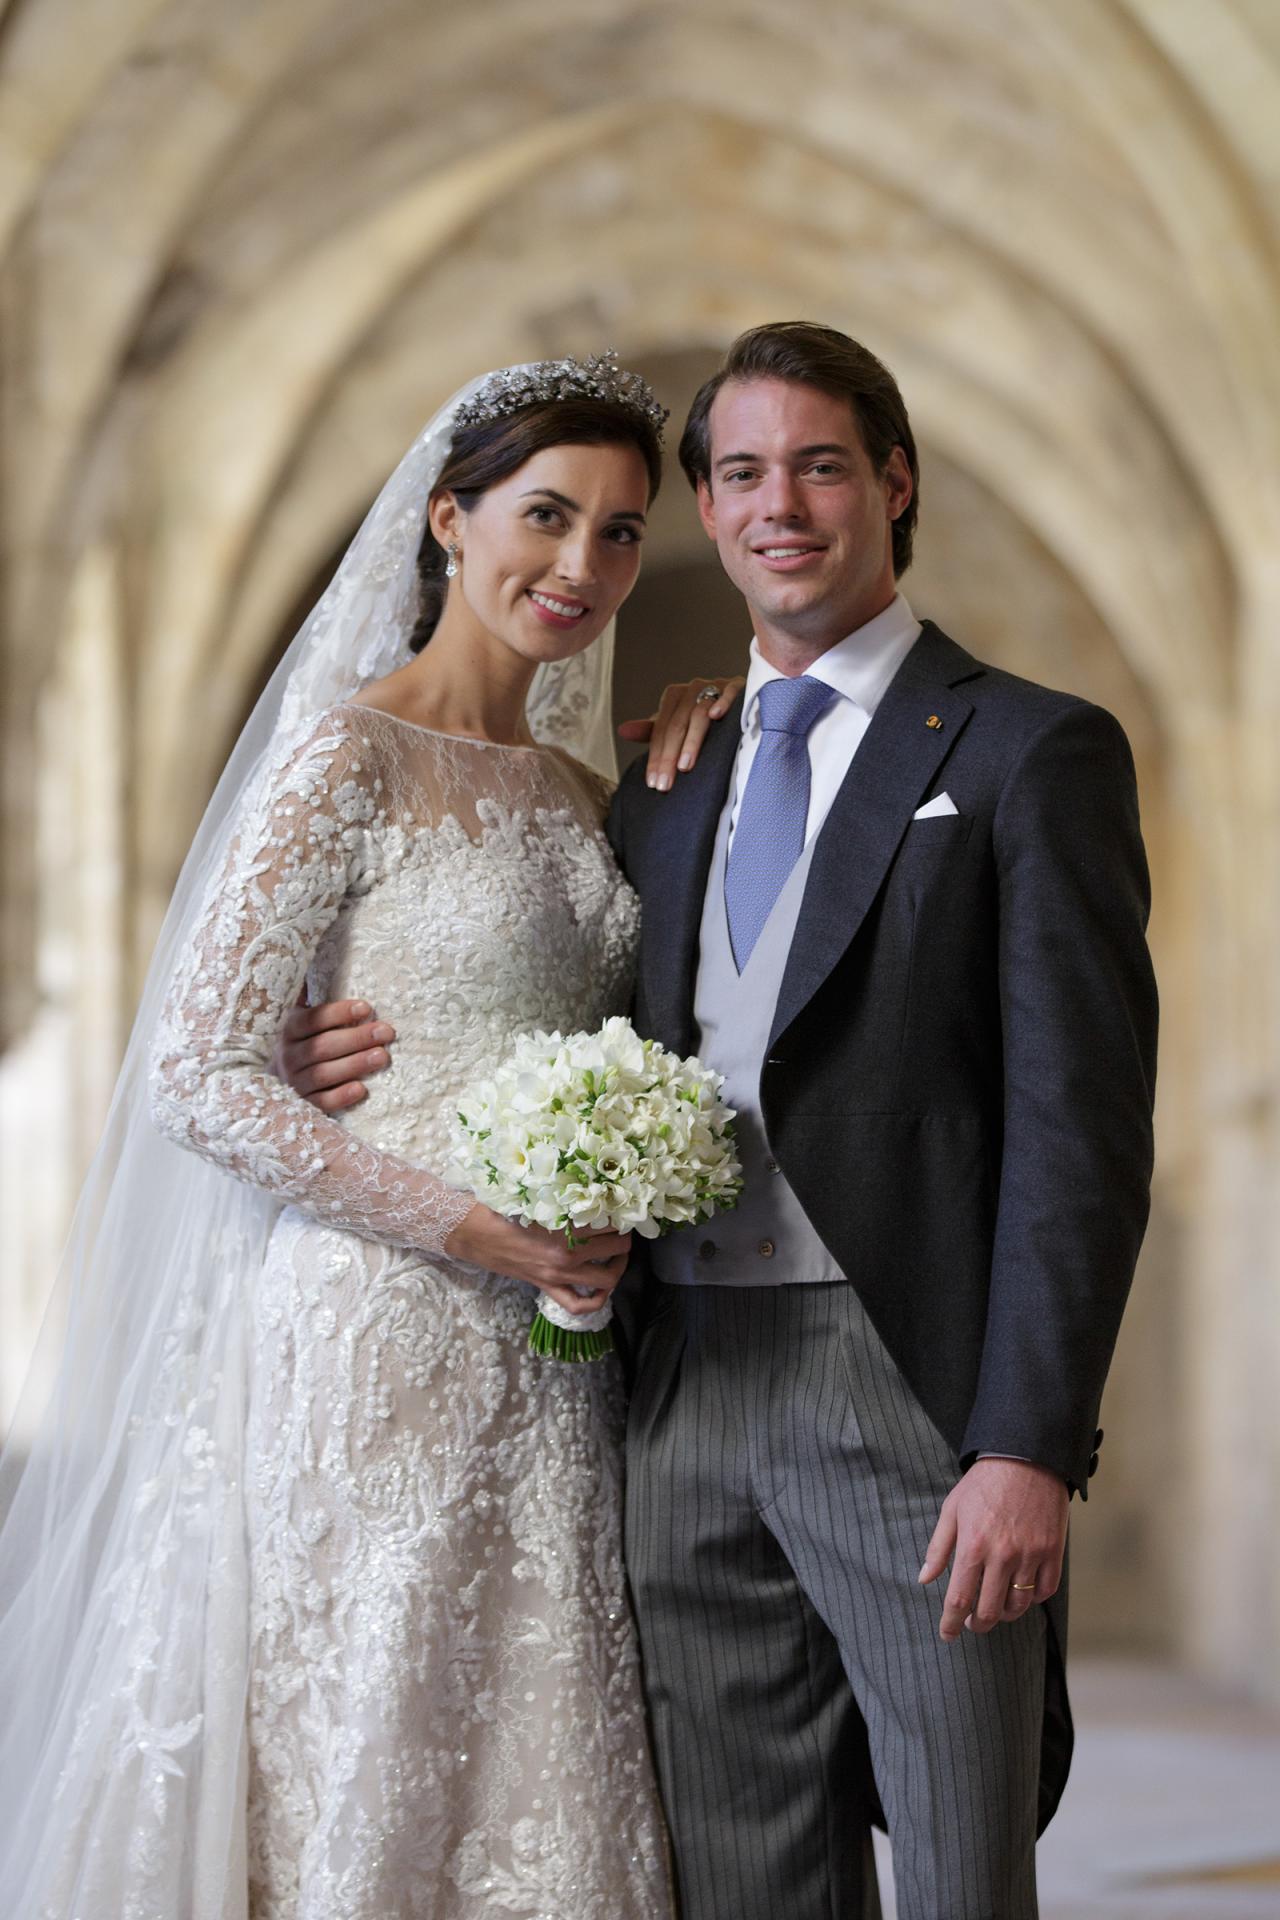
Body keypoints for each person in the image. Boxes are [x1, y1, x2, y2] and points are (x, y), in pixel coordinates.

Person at [290, 322, 1158, 1920]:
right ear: (707, 505)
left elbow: (1081, 1130)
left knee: (964, 1876)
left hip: (906, 1393)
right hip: (676, 1392)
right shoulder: (664, 776)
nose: (783, 506)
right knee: (744, 1878)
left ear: (893, 485)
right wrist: (310, 1029)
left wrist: (1027, 1445)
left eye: (822, 464)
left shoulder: (1035, 751)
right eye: (742, 473)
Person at [0, 353, 741, 1920]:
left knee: (535, 1740)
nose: (583, 566)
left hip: (555, 1356)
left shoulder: (576, 785)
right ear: (448, 521)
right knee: (374, 1732)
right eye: (547, 516)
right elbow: (201, 1072)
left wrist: (713, 728)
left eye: (620, 533)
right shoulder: (345, 755)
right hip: (378, 1329)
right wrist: (477, 1230)